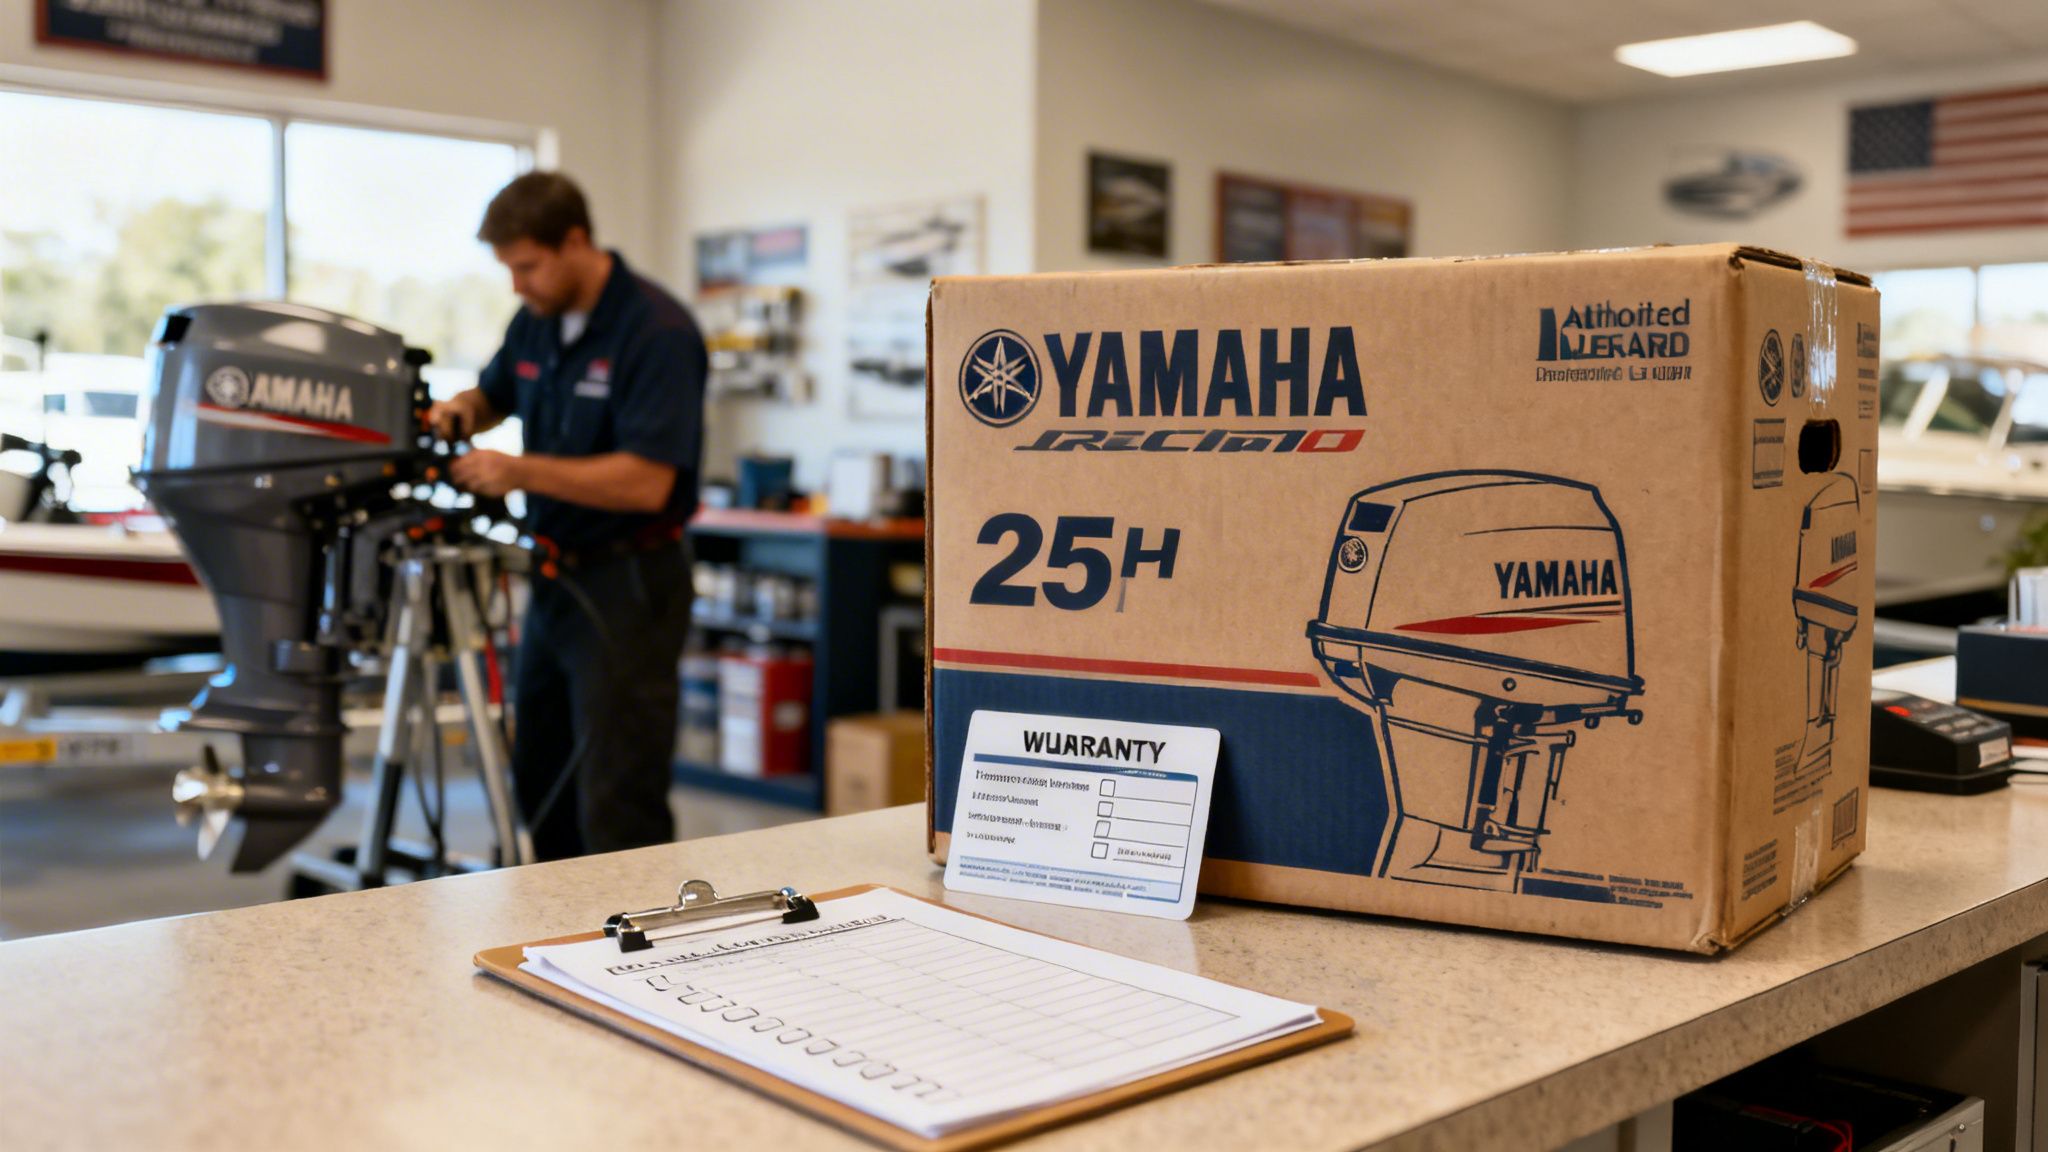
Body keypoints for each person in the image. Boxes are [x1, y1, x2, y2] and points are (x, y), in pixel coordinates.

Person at [429, 171, 706, 861]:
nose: (517, 286)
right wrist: (460, 411)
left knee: (617, 791)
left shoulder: (658, 332)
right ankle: (551, 944)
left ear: (576, 241)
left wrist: (517, 470)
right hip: (554, 581)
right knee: (539, 777)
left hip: (631, 586)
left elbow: (646, 481)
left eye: (527, 266)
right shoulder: (536, 322)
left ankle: (630, 953)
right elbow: (493, 394)